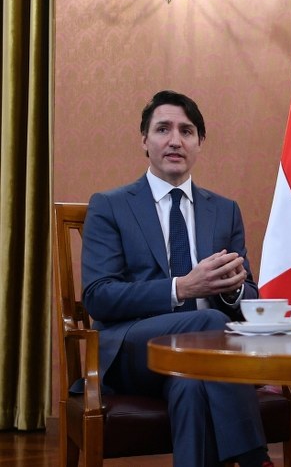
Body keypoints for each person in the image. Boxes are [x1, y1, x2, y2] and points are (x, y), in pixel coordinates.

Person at [81, 90, 274, 467]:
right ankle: (255, 458)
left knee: (189, 383)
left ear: (199, 144)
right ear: (144, 141)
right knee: (210, 322)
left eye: (186, 131)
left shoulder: (224, 211)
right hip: (133, 350)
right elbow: (98, 297)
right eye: (163, 129)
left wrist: (234, 289)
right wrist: (182, 288)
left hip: (202, 360)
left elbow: (249, 294)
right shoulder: (110, 206)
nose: (175, 140)